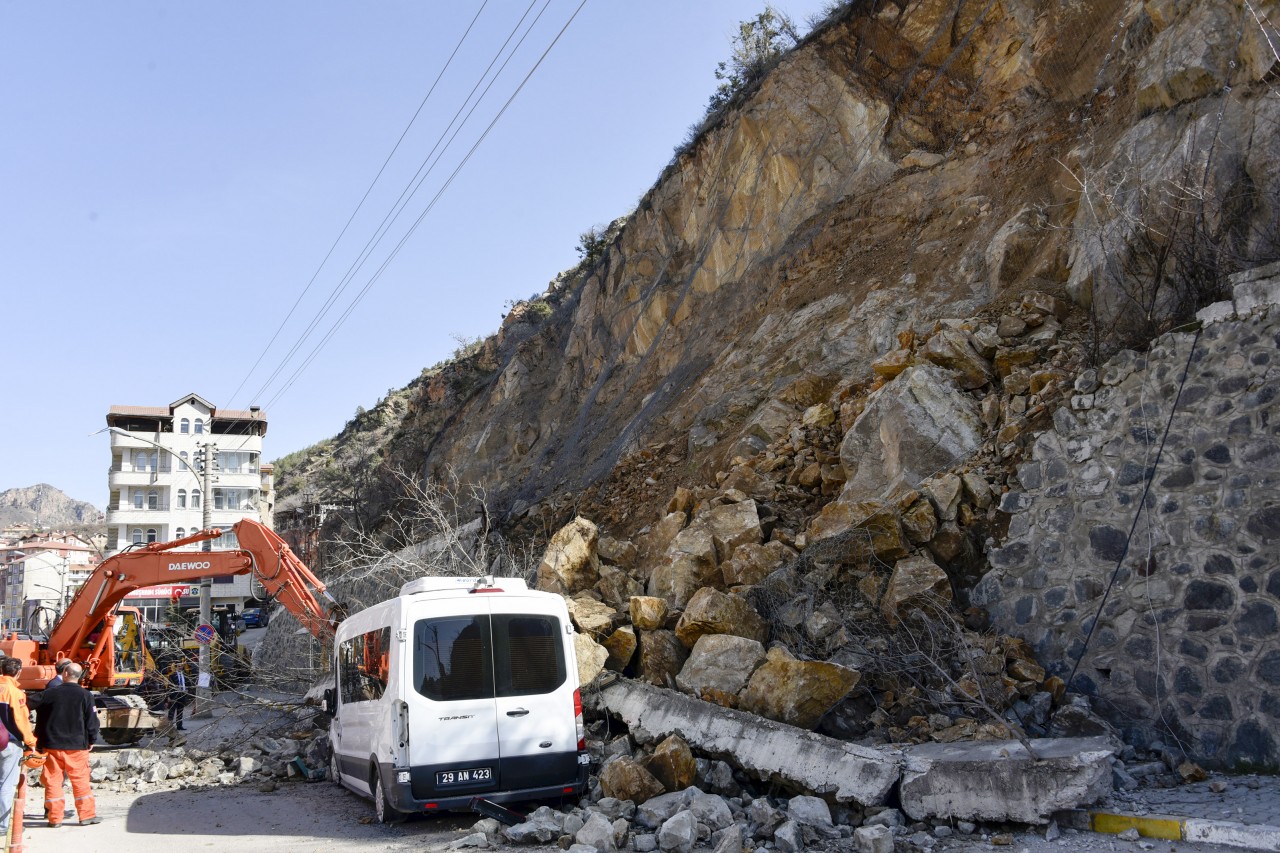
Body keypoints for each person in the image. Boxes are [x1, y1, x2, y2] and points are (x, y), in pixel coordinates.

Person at [33, 662, 100, 827]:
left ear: (64, 674)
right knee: (80, 781)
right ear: (80, 677)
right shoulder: (86, 695)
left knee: (53, 782)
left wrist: (38, 741)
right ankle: (86, 816)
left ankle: (54, 818)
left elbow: (31, 708)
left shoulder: (49, 694)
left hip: (52, 744)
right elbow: (92, 721)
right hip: (77, 746)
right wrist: (92, 739)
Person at [0, 656, 37, 834]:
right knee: (6, 784)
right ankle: (3, 826)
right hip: (10, 744)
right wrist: (31, 743)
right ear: (18, 672)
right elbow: (21, 720)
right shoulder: (15, 693)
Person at [164, 661, 192, 731]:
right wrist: (169, 696)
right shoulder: (172, 676)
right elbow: (169, 687)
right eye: (179, 666)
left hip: (182, 695)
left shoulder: (185, 675)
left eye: (181, 666)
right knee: (171, 711)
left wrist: (187, 690)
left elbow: (188, 684)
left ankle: (179, 726)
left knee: (180, 711)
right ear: (176, 667)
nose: (180, 667)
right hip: (174, 696)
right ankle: (169, 726)